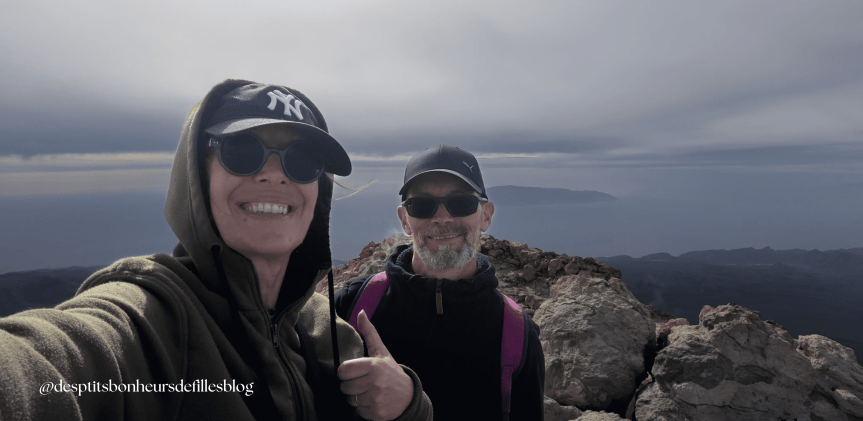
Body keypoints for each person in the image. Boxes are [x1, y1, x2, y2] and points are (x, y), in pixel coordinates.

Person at [0, 79, 432, 421]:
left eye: (301, 160)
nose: (273, 175)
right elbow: (49, 365)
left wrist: (408, 403)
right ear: (196, 177)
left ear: (317, 192)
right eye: (242, 151)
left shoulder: (328, 332)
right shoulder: (151, 322)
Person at [335, 145, 545, 420]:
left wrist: (409, 406)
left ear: (486, 215)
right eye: (422, 205)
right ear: (405, 220)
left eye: (461, 203)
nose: (442, 217)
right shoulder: (352, 304)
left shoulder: (516, 334)